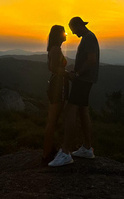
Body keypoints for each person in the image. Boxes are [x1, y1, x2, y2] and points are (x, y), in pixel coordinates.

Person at [48, 16, 100, 167]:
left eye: (72, 29)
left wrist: (77, 74)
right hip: (85, 79)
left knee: (70, 111)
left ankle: (65, 152)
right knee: (83, 112)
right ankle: (87, 148)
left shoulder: (88, 38)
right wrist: (75, 71)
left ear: (78, 25)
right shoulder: (88, 37)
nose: (72, 33)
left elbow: (91, 60)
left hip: (83, 80)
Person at [42, 24, 68, 164]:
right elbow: (53, 68)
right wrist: (68, 74)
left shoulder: (52, 49)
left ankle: (49, 150)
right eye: (64, 32)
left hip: (54, 84)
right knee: (53, 120)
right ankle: (47, 154)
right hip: (58, 85)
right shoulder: (56, 49)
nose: (66, 35)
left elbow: (50, 67)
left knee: (52, 119)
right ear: (59, 35)